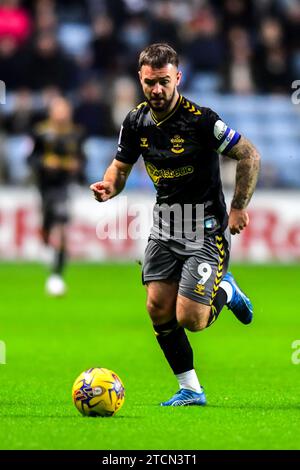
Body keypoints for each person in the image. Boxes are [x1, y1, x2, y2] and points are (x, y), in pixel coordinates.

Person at [90, 43, 260, 406]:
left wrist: (239, 207)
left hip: (206, 229)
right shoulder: (136, 122)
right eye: (150, 82)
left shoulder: (201, 120)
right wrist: (109, 187)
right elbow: (119, 169)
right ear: (140, 78)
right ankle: (191, 390)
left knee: (192, 318)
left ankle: (226, 290)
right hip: (165, 227)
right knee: (157, 308)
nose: (157, 90)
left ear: (177, 78)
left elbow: (249, 154)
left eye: (164, 81)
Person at [28, 96, 85, 296]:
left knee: (61, 226)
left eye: (65, 109)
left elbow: (82, 159)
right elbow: (31, 158)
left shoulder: (76, 134)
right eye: (58, 109)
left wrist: (77, 167)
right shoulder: (40, 132)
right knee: (47, 223)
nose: (62, 113)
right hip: (45, 187)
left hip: (64, 187)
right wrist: (44, 163)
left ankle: (56, 276)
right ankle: (45, 241)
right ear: (52, 112)